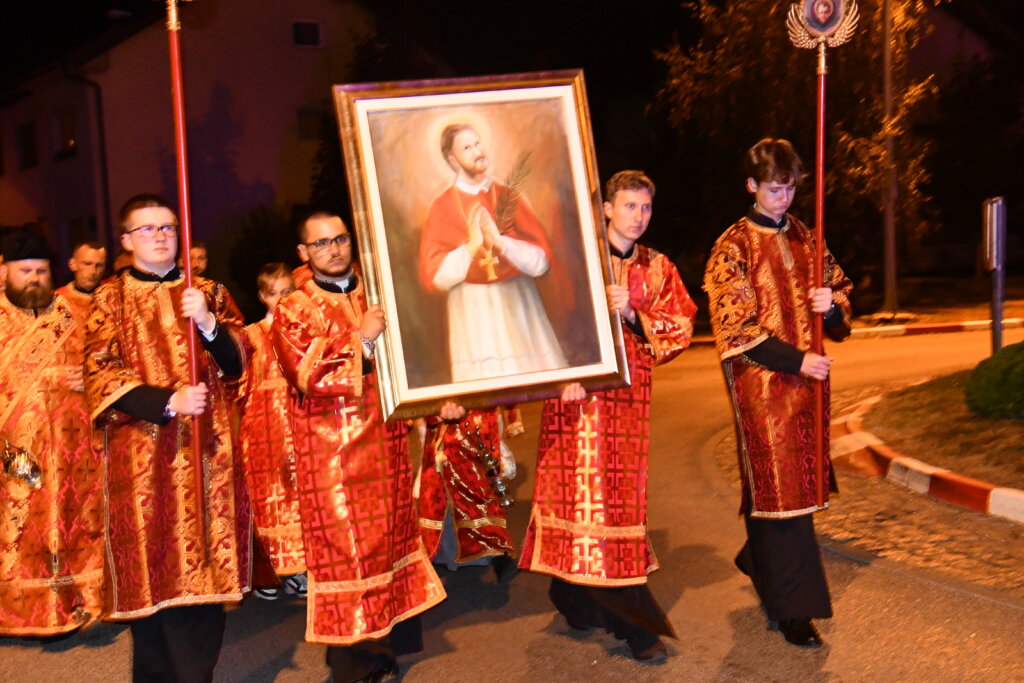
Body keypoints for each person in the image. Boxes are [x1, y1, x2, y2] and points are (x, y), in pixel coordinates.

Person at [520, 170, 697, 661]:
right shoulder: (573, 261)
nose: (638, 218)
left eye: (645, 208)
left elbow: (682, 325)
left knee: (615, 505)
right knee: (588, 503)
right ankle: (635, 625)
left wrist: (635, 312)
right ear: (606, 209)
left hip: (629, 407)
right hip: (576, 404)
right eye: (629, 207)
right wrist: (559, 377)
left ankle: (573, 594)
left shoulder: (658, 268)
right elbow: (539, 323)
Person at [84, 194, 251, 682]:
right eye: (148, 229)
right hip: (142, 457)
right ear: (126, 240)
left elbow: (240, 361)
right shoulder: (109, 299)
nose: (160, 236)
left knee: (203, 580)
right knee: (151, 586)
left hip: (207, 455)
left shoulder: (209, 291)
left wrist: (208, 323)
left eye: (168, 227)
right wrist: (167, 401)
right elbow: (99, 371)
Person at [273, 211, 445, 682]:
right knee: (348, 554)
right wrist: (363, 337)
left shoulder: (378, 292)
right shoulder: (294, 308)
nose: (334, 248)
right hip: (332, 456)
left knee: (388, 544)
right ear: (304, 253)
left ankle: (386, 643)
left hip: (386, 443)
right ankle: (352, 662)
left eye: (341, 239)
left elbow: (417, 352)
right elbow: (305, 375)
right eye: (321, 242)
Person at [703, 138, 853, 649]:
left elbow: (841, 315)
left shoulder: (809, 238)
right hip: (763, 388)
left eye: (790, 188)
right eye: (773, 188)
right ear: (751, 186)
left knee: (795, 494)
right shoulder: (732, 247)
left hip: (809, 390)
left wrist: (830, 305)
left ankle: (758, 557)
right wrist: (797, 360)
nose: (783, 197)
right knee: (783, 493)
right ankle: (796, 612)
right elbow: (734, 331)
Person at [0, 232, 105, 636]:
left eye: (41, 271)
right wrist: (45, 375)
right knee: (19, 531)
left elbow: (99, 364)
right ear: (4, 272)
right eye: (25, 271)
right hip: (14, 449)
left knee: (74, 527)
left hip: (72, 448)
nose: (34, 279)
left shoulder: (70, 312)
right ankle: (18, 613)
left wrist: (87, 377)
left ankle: (78, 603)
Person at [418, 122, 566, 382]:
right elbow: (436, 278)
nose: (478, 151)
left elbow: (541, 262)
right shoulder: (442, 207)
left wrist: (503, 243)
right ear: (453, 160)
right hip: (474, 313)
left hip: (519, 307)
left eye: (478, 143)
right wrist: (472, 247)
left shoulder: (508, 196)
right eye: (467, 147)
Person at [237, 262, 306, 600]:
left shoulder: (304, 332)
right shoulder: (251, 335)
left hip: (299, 425)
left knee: (302, 497)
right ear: (264, 296)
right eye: (275, 293)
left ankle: (301, 568)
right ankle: (269, 571)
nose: (283, 300)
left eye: (288, 292)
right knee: (267, 501)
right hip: (263, 432)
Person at [416, 406, 521, 580]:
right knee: (445, 487)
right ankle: (448, 554)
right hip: (442, 422)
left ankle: (493, 550)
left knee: (482, 485)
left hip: (478, 415)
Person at [55, 240, 107, 320]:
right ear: (72, 264)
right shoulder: (58, 299)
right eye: (87, 264)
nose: (93, 271)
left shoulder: (113, 296)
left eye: (99, 265)